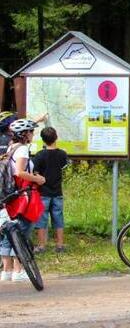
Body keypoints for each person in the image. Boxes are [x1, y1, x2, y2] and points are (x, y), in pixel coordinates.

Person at [0, 119, 45, 281]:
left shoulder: (11, 147)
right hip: (23, 194)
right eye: (31, 132)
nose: (33, 134)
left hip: (11, 194)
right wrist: (38, 179)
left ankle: (6, 271)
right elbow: (19, 172)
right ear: (24, 134)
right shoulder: (23, 150)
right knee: (23, 230)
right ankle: (19, 271)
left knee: (9, 232)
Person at [33, 127, 68, 254]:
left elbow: (35, 172)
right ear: (56, 137)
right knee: (58, 218)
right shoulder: (62, 154)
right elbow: (64, 166)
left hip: (43, 193)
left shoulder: (39, 155)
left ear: (42, 140)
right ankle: (60, 244)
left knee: (41, 219)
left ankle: (41, 245)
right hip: (57, 192)